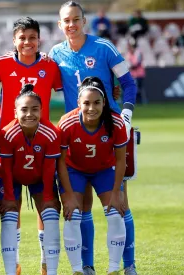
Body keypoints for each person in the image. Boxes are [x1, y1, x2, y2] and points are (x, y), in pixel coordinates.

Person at [49, 2, 137, 274]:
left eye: (76, 19)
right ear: (60, 24)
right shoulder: (55, 54)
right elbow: (44, 83)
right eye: (67, 20)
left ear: (84, 21)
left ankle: (128, 265)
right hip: (74, 134)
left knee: (119, 202)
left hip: (109, 134)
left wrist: (126, 116)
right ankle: (87, 267)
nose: (72, 24)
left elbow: (129, 84)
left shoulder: (103, 47)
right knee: (81, 205)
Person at [0, 16, 63, 275]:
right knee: (9, 206)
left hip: (43, 143)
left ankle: (45, 262)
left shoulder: (50, 66)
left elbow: (69, 89)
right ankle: (12, 263)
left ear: (39, 40)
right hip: (7, 143)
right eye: (22, 38)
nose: (27, 42)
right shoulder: (2, 63)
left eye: (32, 37)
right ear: (14, 40)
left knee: (47, 204)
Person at [0, 83, 79, 275]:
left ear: (42, 110)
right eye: (24, 110)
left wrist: (50, 197)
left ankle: (48, 268)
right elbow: (6, 168)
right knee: (9, 217)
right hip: (12, 179)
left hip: (40, 179)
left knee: (50, 216)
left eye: (35, 109)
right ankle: (13, 268)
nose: (29, 114)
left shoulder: (51, 134)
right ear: (15, 111)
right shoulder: (7, 134)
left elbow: (50, 169)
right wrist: (9, 196)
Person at [57, 76, 128, 275]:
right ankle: (78, 270)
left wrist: (117, 192)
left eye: (97, 102)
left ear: (104, 103)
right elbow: (60, 161)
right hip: (74, 170)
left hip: (104, 171)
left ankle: (114, 269)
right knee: (72, 216)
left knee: (115, 215)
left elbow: (121, 160)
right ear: (78, 103)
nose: (91, 108)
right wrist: (69, 195)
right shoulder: (67, 122)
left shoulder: (115, 122)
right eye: (86, 103)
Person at [125, 39, 146, 104]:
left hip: (139, 74)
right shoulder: (128, 54)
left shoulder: (138, 53)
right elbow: (126, 63)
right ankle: (135, 101)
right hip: (132, 75)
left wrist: (130, 65)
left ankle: (141, 101)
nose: (130, 48)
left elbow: (136, 63)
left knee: (139, 88)